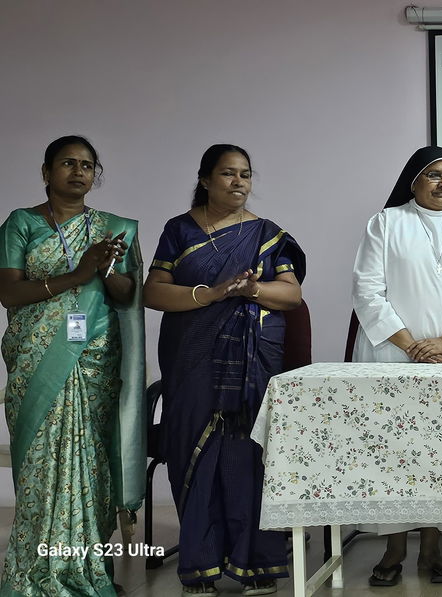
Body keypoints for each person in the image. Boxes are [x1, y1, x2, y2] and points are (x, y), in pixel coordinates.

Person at [143, 144, 305, 596]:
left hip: (252, 366)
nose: (238, 182)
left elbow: (290, 296)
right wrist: (211, 294)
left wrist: (254, 289)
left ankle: (256, 565)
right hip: (192, 361)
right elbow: (154, 292)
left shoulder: (267, 235)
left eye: (246, 175)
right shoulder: (179, 230)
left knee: (247, 457)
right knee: (192, 451)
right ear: (206, 178)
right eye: (229, 174)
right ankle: (202, 565)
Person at [0, 135, 145, 596]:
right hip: (36, 360)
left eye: (87, 165)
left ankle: (89, 567)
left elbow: (127, 296)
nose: (78, 172)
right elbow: (9, 293)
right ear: (46, 172)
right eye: (67, 163)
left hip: (94, 358)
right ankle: (40, 569)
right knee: (44, 463)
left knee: (92, 460)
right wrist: (78, 275)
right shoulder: (21, 223)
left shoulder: (112, 229)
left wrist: (104, 269)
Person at [351, 146, 442, 586]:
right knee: (394, 452)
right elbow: (367, 291)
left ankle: (434, 548)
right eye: (433, 176)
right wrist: (413, 346)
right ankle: (395, 546)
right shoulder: (386, 223)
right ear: (413, 181)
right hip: (392, 358)